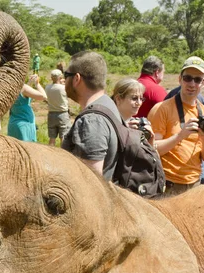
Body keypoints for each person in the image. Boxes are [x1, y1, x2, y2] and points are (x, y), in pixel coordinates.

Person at [148, 56, 204, 195]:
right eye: (188, 78)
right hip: (167, 184)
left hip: (195, 185)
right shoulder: (162, 109)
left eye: (197, 80)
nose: (192, 84)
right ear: (180, 79)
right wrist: (180, 136)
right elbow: (152, 150)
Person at [61, 51, 120, 181]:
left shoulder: (91, 120)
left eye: (66, 75)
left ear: (76, 79)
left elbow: (91, 182)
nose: (64, 80)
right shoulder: (107, 103)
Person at [7, 74, 47, 142]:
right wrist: (37, 84)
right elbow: (43, 96)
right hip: (24, 125)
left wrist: (30, 82)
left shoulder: (10, 88)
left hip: (13, 124)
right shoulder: (24, 88)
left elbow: (24, 96)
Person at [45, 69, 70, 146]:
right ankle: (63, 155)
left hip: (51, 114)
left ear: (51, 78)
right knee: (63, 138)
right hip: (62, 114)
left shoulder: (47, 87)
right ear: (60, 77)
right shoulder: (63, 88)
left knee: (52, 138)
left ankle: (50, 154)